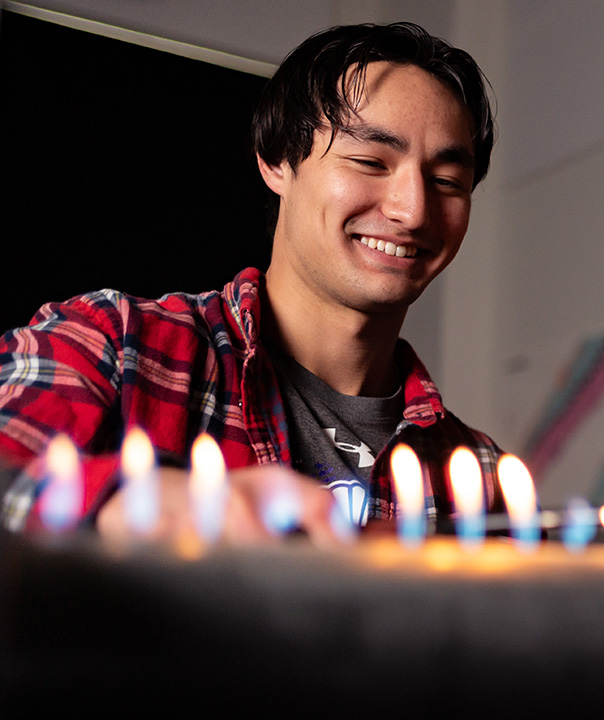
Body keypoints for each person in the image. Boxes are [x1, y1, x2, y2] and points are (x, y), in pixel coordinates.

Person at [0, 23, 501, 543]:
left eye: (447, 182)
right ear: (277, 159)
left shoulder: (480, 475)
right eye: (370, 162)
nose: (413, 211)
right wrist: (126, 505)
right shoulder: (114, 345)